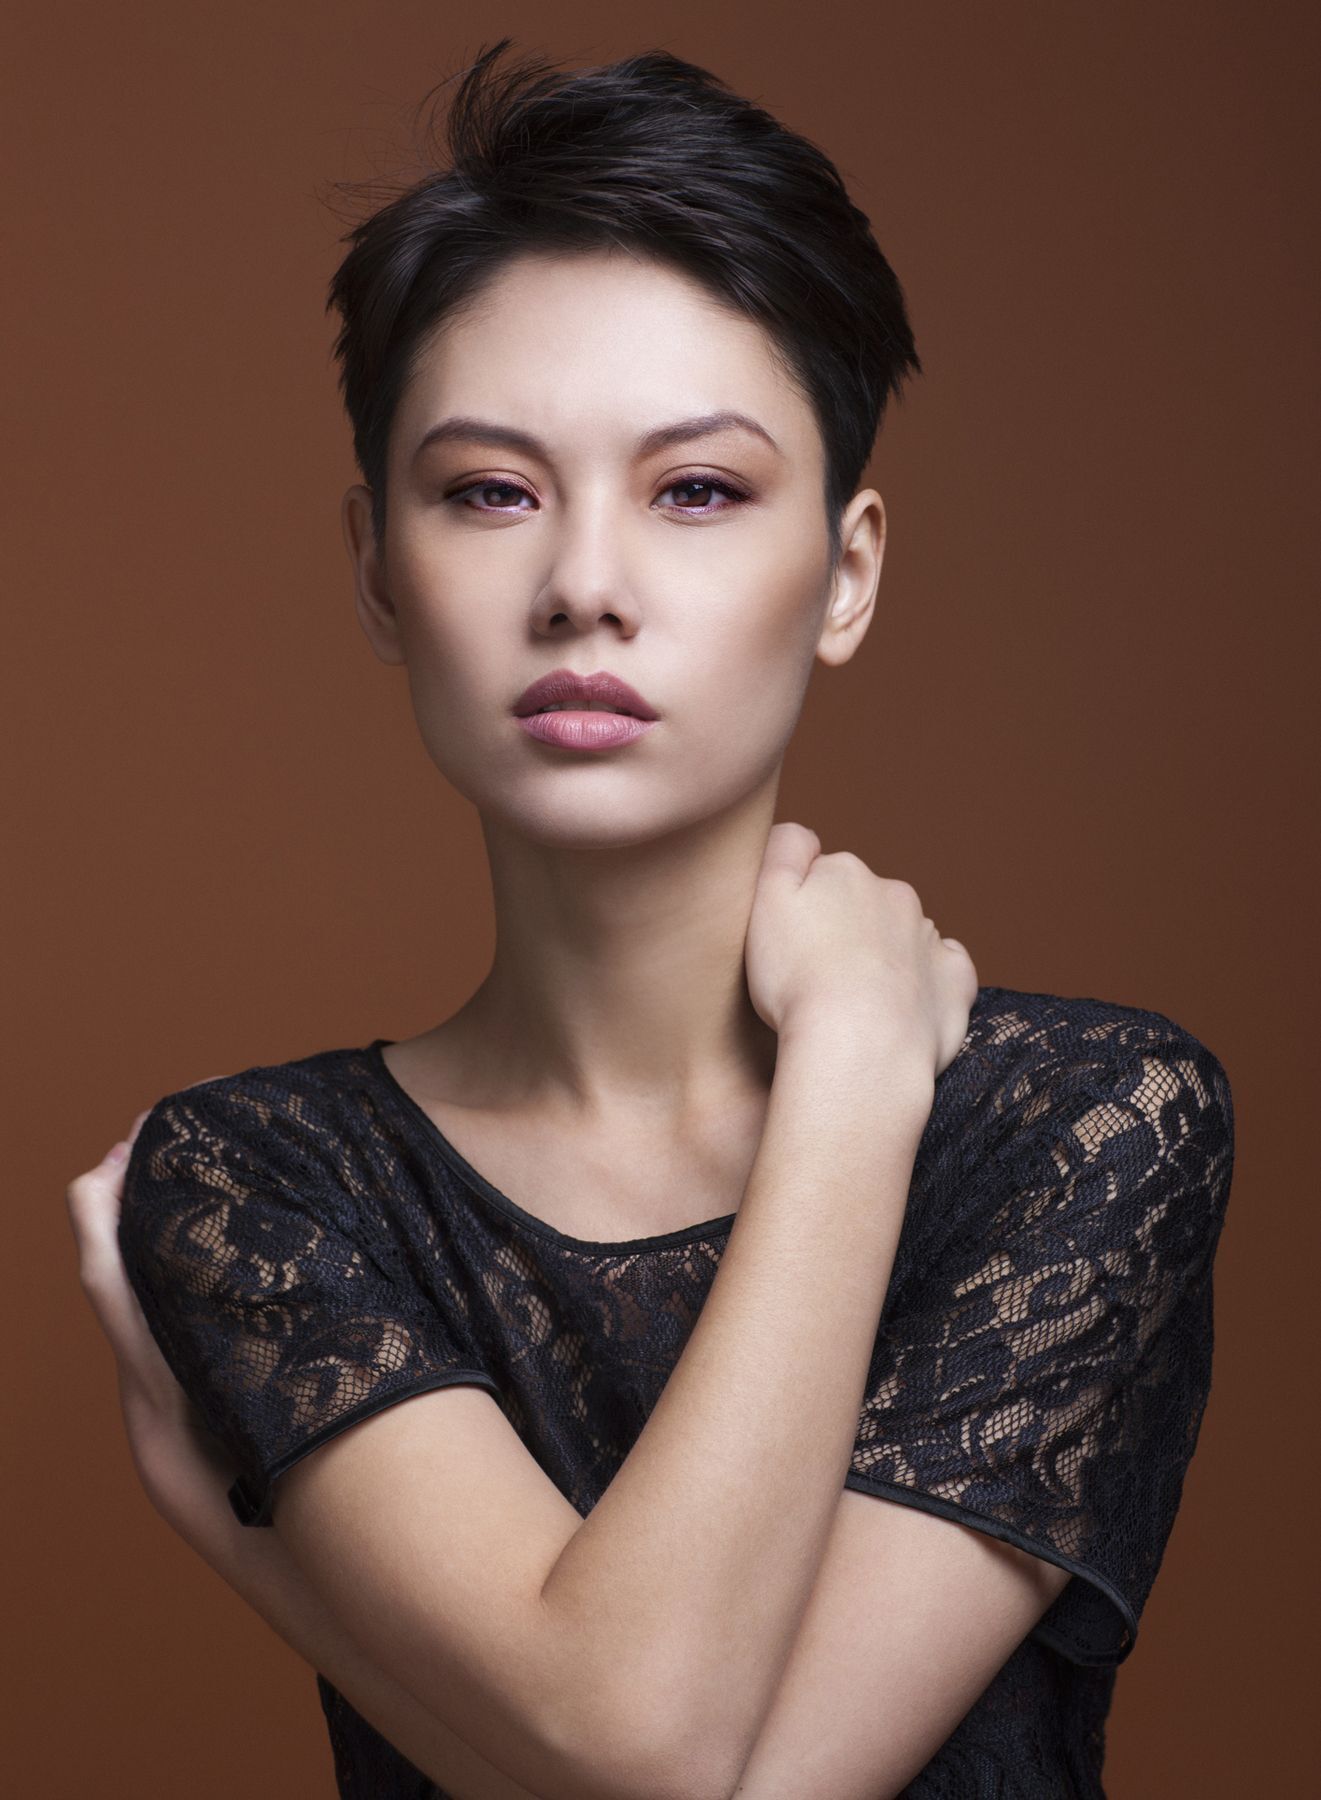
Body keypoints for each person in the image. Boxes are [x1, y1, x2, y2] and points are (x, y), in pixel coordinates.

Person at [66, 39, 1235, 1800]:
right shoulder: (260, 1182)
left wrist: (267, 1559)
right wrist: (852, 1074)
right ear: (379, 572)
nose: (584, 585)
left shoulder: (1086, 1122)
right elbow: (652, 1759)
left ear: (845, 572)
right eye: (487, 491)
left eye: (695, 489)